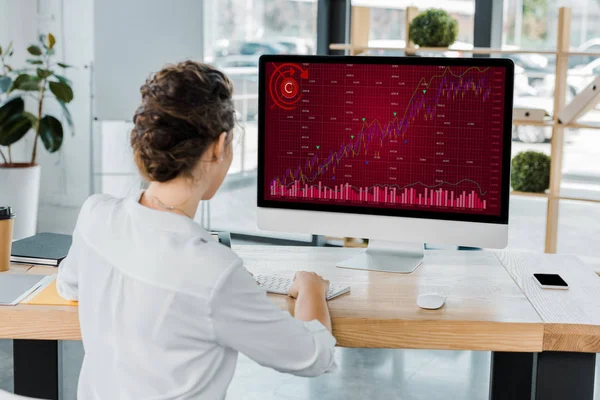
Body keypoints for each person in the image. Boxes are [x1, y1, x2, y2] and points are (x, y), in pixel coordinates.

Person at [57, 61, 336, 399]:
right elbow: (313, 357)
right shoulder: (215, 273)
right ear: (219, 147)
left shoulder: (95, 215)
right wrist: (311, 288)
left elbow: (70, 286)